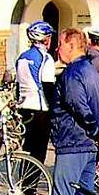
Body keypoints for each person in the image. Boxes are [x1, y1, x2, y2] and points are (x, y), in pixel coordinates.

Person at [51, 28, 99, 195]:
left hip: (72, 141)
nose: (57, 48)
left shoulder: (71, 74)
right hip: (89, 144)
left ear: (71, 45)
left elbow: (78, 106)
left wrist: (96, 130)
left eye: (60, 44)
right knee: (86, 194)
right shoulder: (91, 71)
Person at [16, 21, 56, 165]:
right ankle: (30, 187)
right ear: (45, 39)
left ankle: (23, 183)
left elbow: (17, 84)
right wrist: (54, 109)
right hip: (40, 109)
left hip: (24, 107)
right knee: (38, 153)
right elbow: (47, 86)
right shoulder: (46, 58)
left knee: (28, 149)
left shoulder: (22, 57)